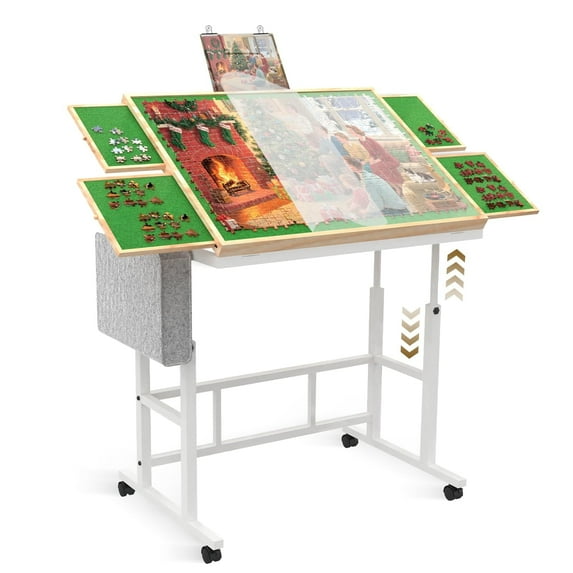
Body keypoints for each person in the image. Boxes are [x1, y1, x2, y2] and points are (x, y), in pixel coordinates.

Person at [346, 125, 403, 194]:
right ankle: (396, 188)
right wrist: (370, 160)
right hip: (377, 160)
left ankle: (400, 186)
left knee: (379, 168)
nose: (350, 133)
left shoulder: (369, 140)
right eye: (349, 132)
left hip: (386, 159)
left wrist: (377, 160)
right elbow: (370, 153)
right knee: (374, 169)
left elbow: (382, 152)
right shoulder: (360, 141)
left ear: (355, 130)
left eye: (351, 131)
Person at [345, 156, 410, 216]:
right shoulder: (368, 176)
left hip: (393, 211)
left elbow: (378, 205)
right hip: (397, 208)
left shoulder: (367, 181)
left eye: (345, 166)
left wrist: (365, 212)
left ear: (352, 168)